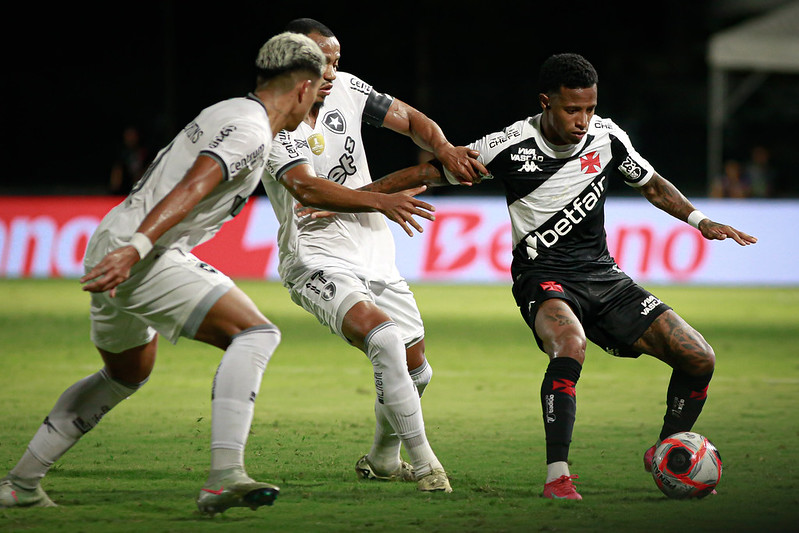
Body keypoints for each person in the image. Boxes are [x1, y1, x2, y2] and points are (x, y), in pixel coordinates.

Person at [0, 32, 435, 514]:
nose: (317, 103)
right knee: (255, 334)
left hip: (114, 240)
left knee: (125, 373)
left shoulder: (232, 113)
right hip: (142, 249)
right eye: (315, 91)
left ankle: (21, 482)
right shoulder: (252, 129)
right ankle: (224, 475)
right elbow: (196, 183)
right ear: (300, 89)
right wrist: (138, 248)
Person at [350, 53, 757, 499]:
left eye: (590, 109)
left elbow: (654, 185)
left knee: (700, 357)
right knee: (569, 345)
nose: (583, 120)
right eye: (572, 110)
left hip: (604, 277)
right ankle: (557, 476)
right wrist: (352, 197)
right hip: (541, 277)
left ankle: (665, 450)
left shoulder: (608, 139)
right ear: (546, 103)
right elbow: (431, 171)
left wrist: (701, 221)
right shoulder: (509, 145)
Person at [263, 18, 487, 493]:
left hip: (372, 250)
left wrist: (443, 149)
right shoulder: (271, 120)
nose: (332, 72)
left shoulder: (346, 88)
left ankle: (384, 457)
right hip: (315, 256)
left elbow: (408, 119)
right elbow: (308, 189)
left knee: (417, 369)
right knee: (383, 341)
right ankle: (427, 466)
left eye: (336, 62)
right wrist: (383, 199)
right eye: (321, 63)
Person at [109, 126, 150, 195]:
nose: (130, 139)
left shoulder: (145, 153)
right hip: (124, 189)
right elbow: (116, 176)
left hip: (142, 188)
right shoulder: (120, 154)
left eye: (132, 135)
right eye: (128, 135)